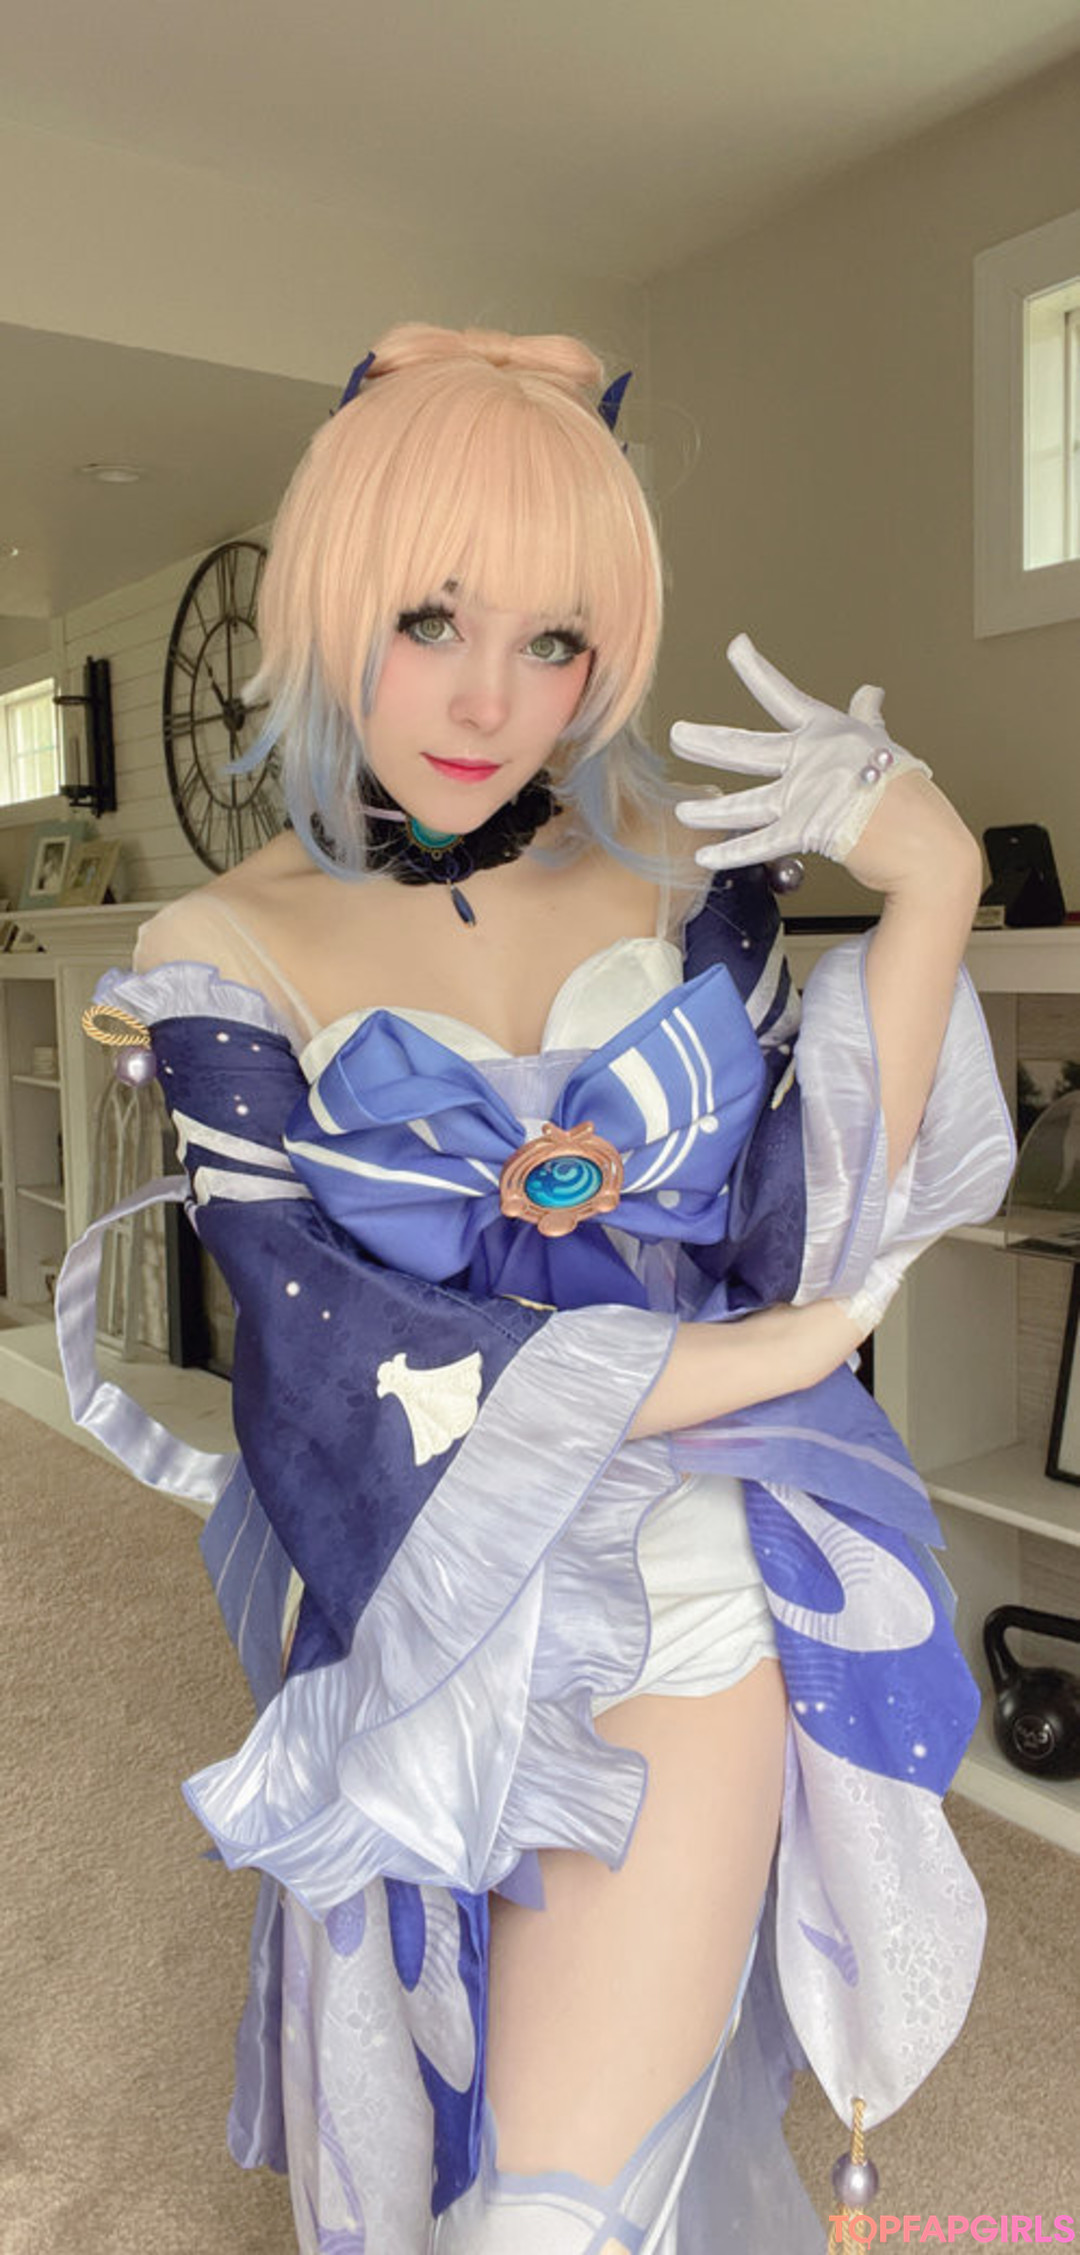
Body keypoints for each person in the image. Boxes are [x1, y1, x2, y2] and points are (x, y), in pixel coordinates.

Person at [60, 323, 1015, 2254]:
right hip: (414, 1557)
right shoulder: (221, 938)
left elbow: (800, 1233)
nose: (491, 697)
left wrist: (934, 894)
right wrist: (741, 1360)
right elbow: (317, 1347)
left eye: (556, 640)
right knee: (435, 2121)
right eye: (431, 618)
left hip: (680, 1553)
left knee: (550, 2210)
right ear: (334, 601)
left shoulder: (683, 883)